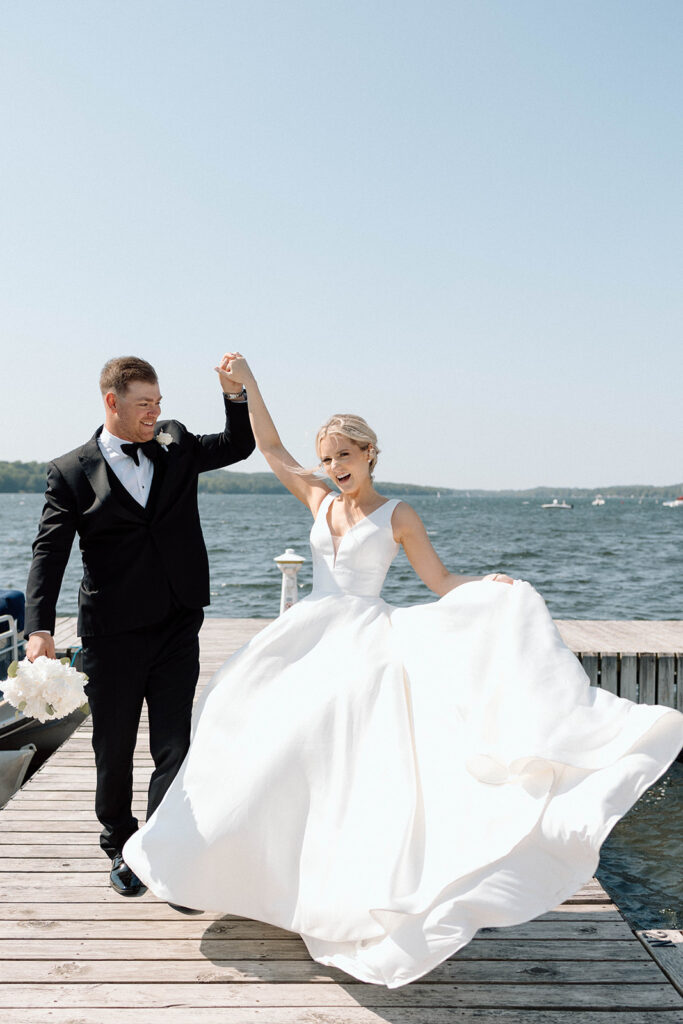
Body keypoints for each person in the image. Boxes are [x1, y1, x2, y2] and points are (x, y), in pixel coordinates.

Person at [124, 354, 683, 987]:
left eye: (343, 456)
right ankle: (215, 863)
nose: (334, 469)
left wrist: (493, 586)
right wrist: (247, 387)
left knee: (339, 761)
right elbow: (272, 447)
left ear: (368, 454)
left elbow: (440, 581)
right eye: (327, 459)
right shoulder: (318, 498)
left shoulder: (399, 516)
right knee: (254, 739)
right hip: (306, 635)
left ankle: (338, 885)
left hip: (366, 638)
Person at [24, 355, 255, 899]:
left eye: (159, 402)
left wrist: (235, 395)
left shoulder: (176, 443)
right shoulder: (72, 471)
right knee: (114, 746)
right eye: (143, 404)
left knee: (174, 744)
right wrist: (38, 629)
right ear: (112, 403)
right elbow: (48, 552)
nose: (155, 413)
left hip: (178, 622)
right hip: (113, 632)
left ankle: (161, 851)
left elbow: (238, 445)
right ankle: (118, 841)